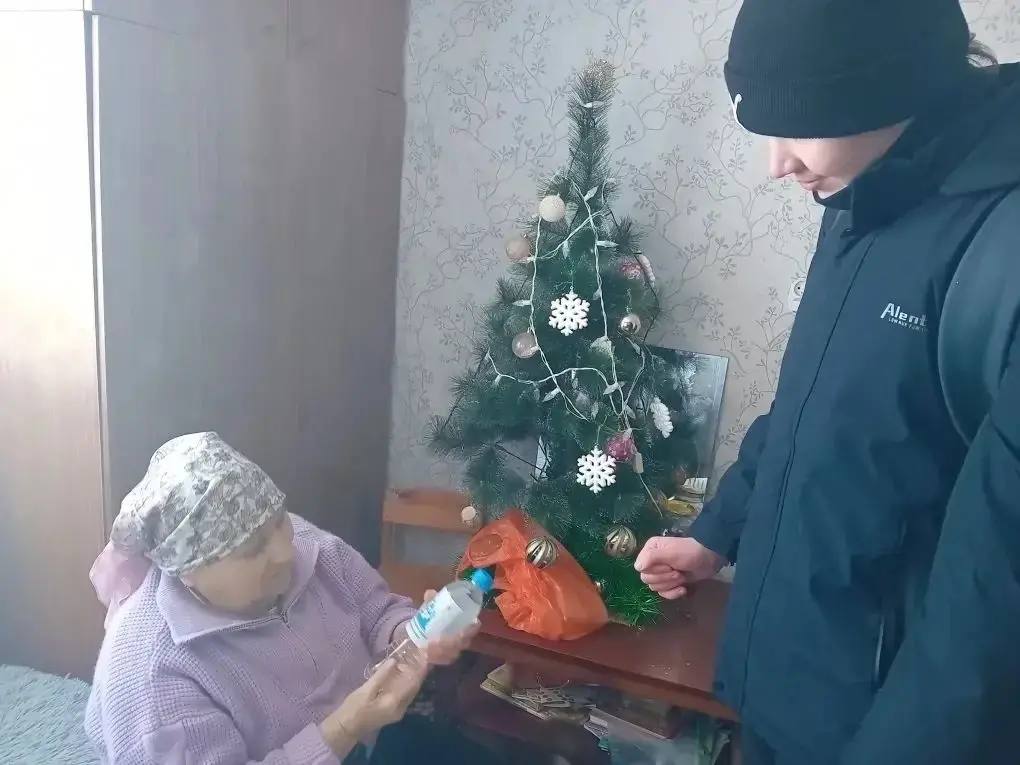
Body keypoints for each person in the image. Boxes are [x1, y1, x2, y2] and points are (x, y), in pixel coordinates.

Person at [634, 1, 1020, 762]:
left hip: (886, 733)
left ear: (896, 84)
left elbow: (991, 605)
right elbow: (814, 404)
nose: (777, 163)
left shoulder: (999, 241)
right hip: (781, 693)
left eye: (801, 127)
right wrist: (718, 531)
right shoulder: (859, 186)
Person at [86, 432, 482, 764]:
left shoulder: (310, 545)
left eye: (279, 520)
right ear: (189, 571)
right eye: (252, 549)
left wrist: (412, 633)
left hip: (376, 737)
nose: (284, 551)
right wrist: (344, 727)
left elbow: (377, 610)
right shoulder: (152, 676)